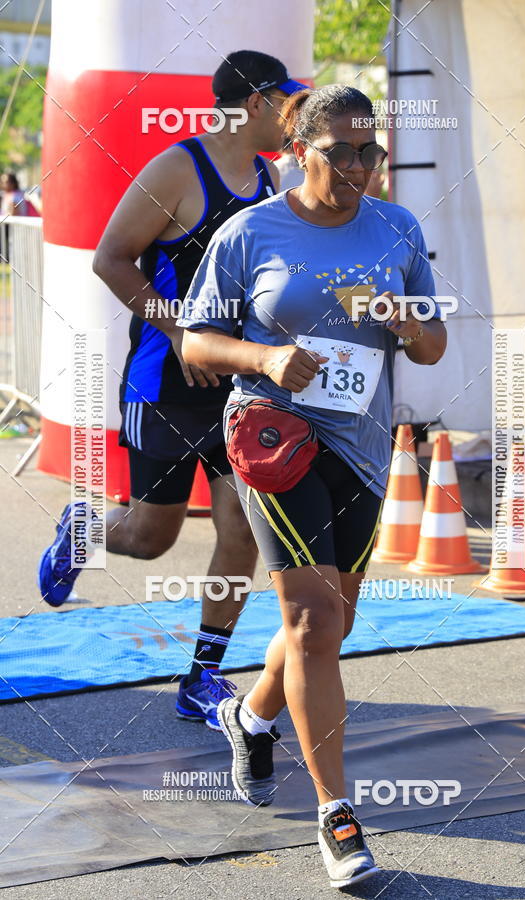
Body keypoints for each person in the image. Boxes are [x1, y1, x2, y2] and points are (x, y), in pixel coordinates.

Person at [178, 85, 447, 888]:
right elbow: (197, 342)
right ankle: (338, 817)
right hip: (274, 437)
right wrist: (262, 359)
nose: (363, 167)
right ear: (301, 149)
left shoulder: (397, 228)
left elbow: (432, 346)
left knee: (333, 623)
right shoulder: (251, 230)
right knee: (312, 617)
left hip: (361, 446)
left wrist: (409, 322)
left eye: (374, 152)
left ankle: (251, 714)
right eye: (345, 152)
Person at [38, 50, 308, 731]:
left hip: (237, 388)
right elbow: (111, 258)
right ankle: (86, 532)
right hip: (165, 381)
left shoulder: (272, 179)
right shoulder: (176, 169)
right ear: (254, 104)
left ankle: (203, 675)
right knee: (150, 537)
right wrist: (184, 329)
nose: (295, 114)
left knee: (242, 530)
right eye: (287, 100)